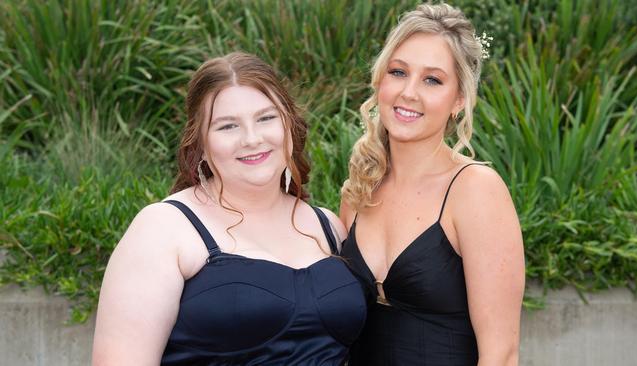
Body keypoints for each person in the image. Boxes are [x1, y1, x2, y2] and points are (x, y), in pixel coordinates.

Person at [92, 52, 366, 365]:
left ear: (289, 124)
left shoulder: (328, 226)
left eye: (266, 118)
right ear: (201, 145)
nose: (251, 139)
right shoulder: (164, 229)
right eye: (227, 127)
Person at [339, 3, 525, 365]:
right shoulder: (360, 189)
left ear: (459, 99)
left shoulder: (475, 190)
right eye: (398, 72)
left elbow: (500, 355)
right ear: (380, 81)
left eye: (432, 79)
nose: (409, 92)